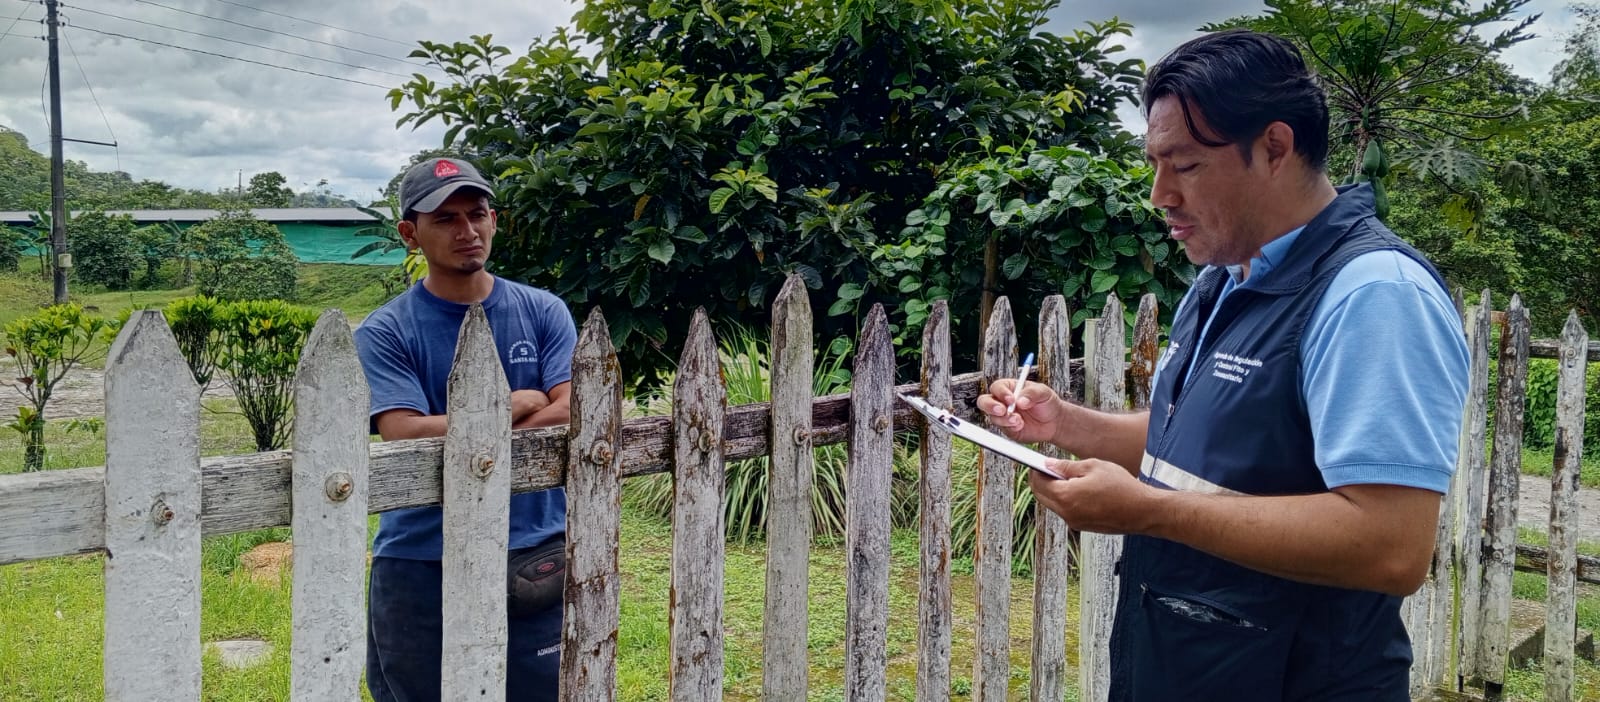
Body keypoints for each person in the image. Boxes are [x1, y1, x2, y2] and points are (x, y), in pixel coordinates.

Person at [979, 30, 1469, 701]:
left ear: (1274, 147)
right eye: (1155, 165)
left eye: (1185, 165)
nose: (1160, 194)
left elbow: (1391, 545)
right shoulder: (1226, 276)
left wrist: (1149, 512)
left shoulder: (1374, 294)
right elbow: (1202, 445)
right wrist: (1065, 423)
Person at [354, 157, 577, 701]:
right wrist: (514, 404)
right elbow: (403, 431)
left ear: (493, 221)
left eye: (476, 214)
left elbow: (574, 410)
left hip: (534, 548)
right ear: (410, 234)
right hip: (420, 558)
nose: (467, 231)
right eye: (445, 219)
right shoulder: (386, 331)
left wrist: (474, 425)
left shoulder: (543, 311)